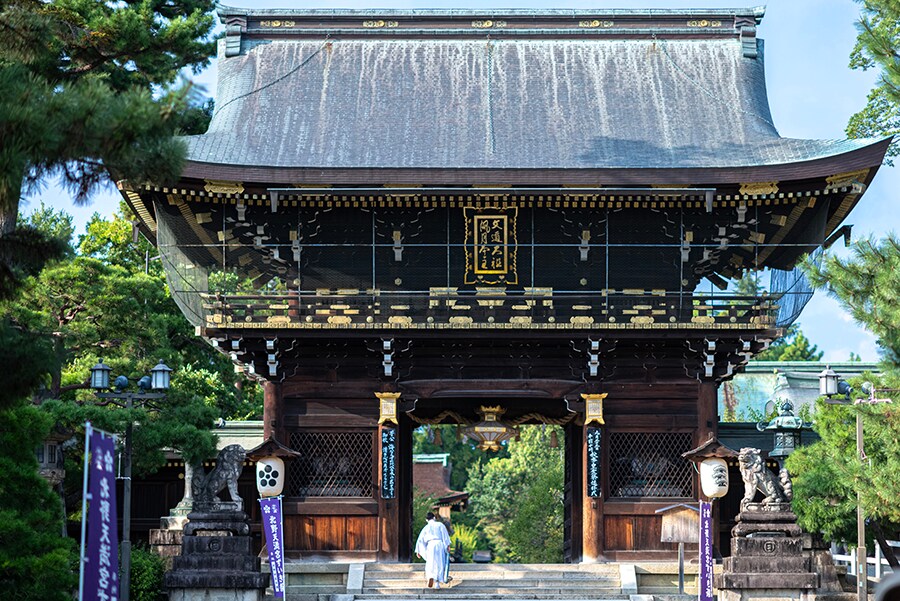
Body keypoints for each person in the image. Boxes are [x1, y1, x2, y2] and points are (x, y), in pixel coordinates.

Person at [415, 512, 451, 589]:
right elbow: (445, 536)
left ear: (426, 520)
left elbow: (421, 540)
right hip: (439, 544)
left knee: (431, 562)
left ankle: (431, 576)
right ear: (434, 518)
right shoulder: (440, 525)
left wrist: (419, 551)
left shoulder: (426, 528)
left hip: (430, 545)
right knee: (440, 563)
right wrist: (447, 546)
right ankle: (437, 583)